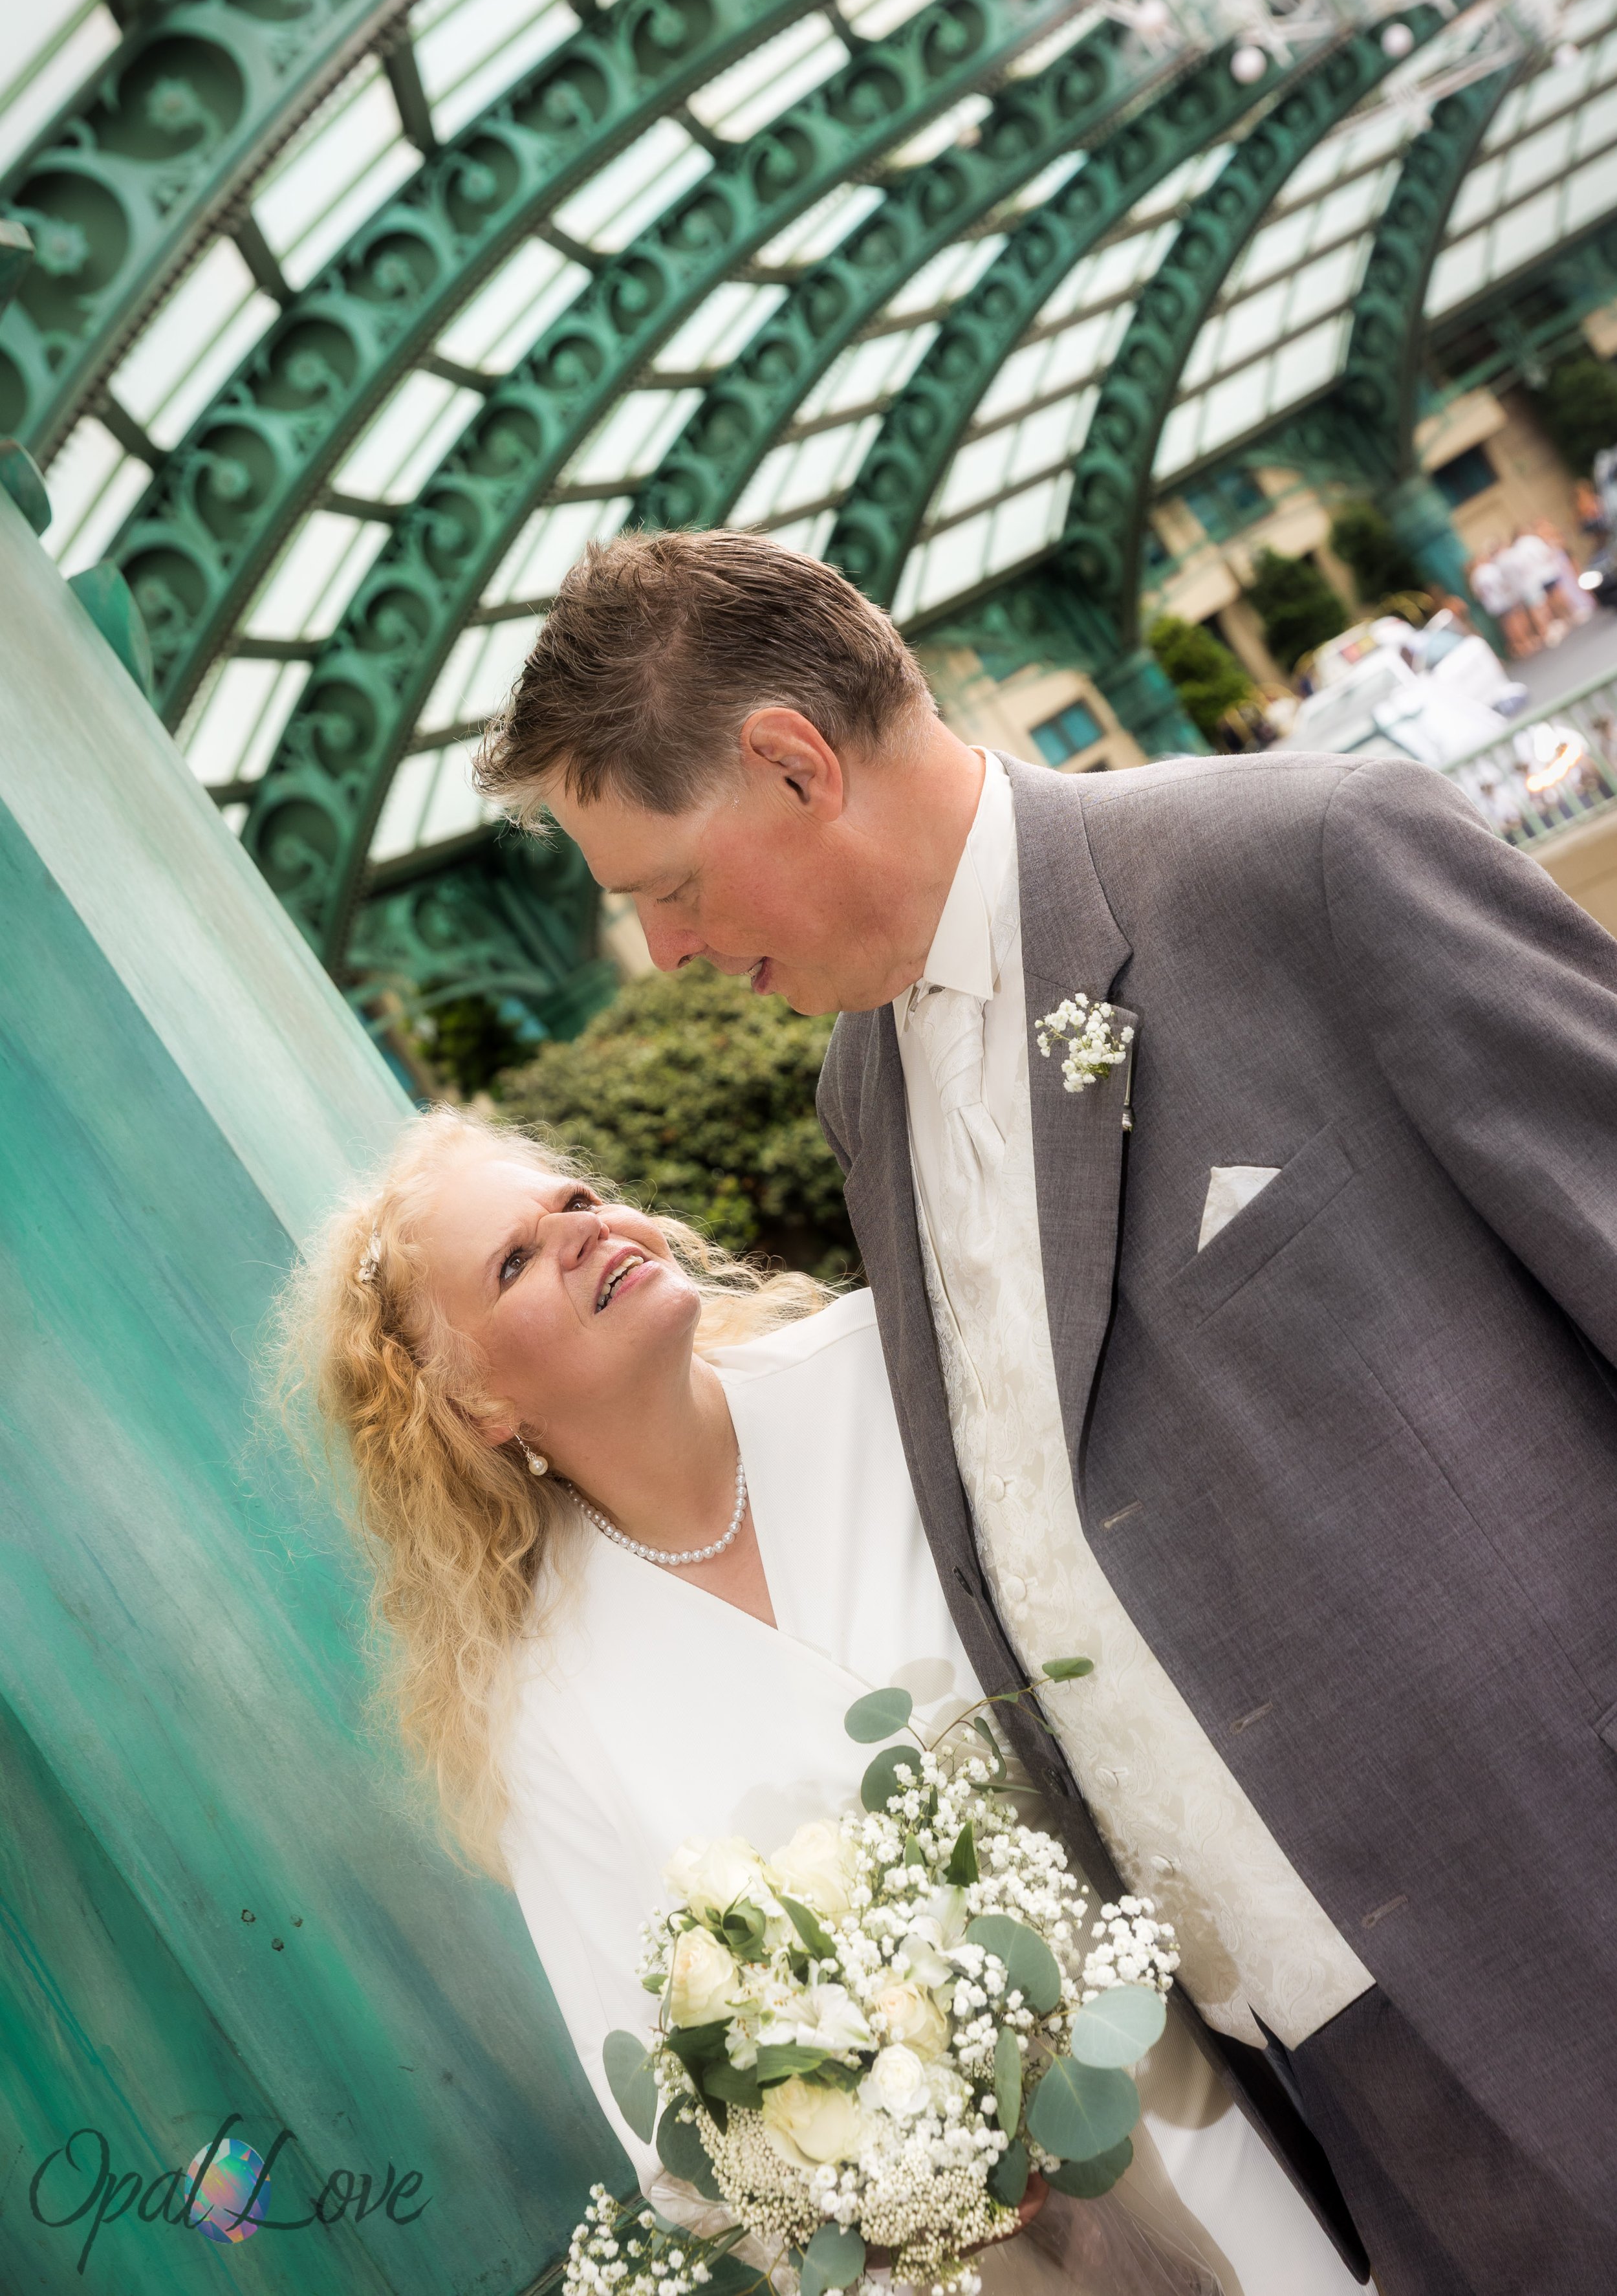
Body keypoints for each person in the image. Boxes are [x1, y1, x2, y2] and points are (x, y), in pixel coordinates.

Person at [473, 527, 1617, 2296]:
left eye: (672, 882)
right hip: (1334, 2082)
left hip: (1557, 1883)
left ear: (795, 760)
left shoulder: (1296, 860)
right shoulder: (865, 1086)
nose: (667, 946)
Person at [289, 1108, 1364, 2296]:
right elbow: (679, 2141)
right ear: (478, 1405)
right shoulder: (542, 1710)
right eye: (514, 1260)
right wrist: (908, 2186)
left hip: (1277, 2088)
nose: (583, 1234)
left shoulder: (885, 1372)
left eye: (576, 1203)